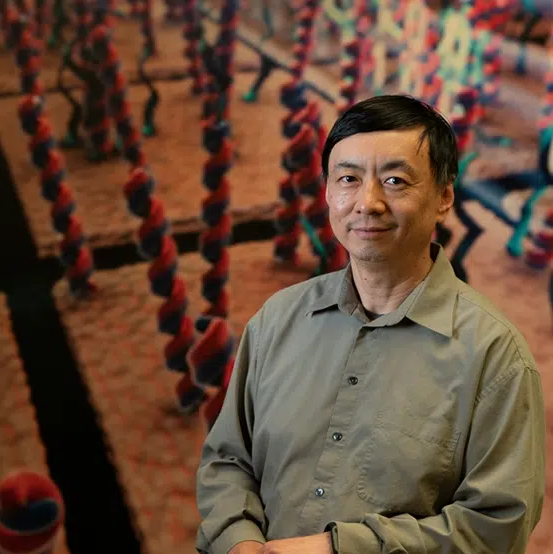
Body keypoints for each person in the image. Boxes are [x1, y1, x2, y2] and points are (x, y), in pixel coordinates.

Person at [195, 95, 546, 554]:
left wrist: (337, 549)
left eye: (395, 181)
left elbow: (497, 528)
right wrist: (239, 542)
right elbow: (227, 461)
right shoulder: (277, 319)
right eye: (348, 179)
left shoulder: (495, 356)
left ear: (444, 198)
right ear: (327, 192)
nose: (367, 202)